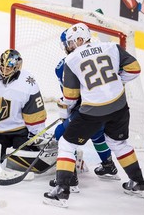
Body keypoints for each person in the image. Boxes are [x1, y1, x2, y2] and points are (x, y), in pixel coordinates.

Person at [43, 23, 144, 207]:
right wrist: (116, 82)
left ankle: (61, 191)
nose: (69, 47)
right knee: (118, 143)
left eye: (71, 43)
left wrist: (65, 112)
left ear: (80, 40)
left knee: (66, 144)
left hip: (93, 111)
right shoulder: (111, 47)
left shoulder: (72, 59)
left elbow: (71, 97)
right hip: (119, 105)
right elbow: (135, 69)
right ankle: (137, 183)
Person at [49, 29, 120, 191]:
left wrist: (64, 112)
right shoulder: (103, 52)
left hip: (86, 111)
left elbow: (70, 98)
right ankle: (108, 166)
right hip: (108, 109)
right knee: (97, 132)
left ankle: (70, 178)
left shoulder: (64, 65)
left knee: (62, 134)